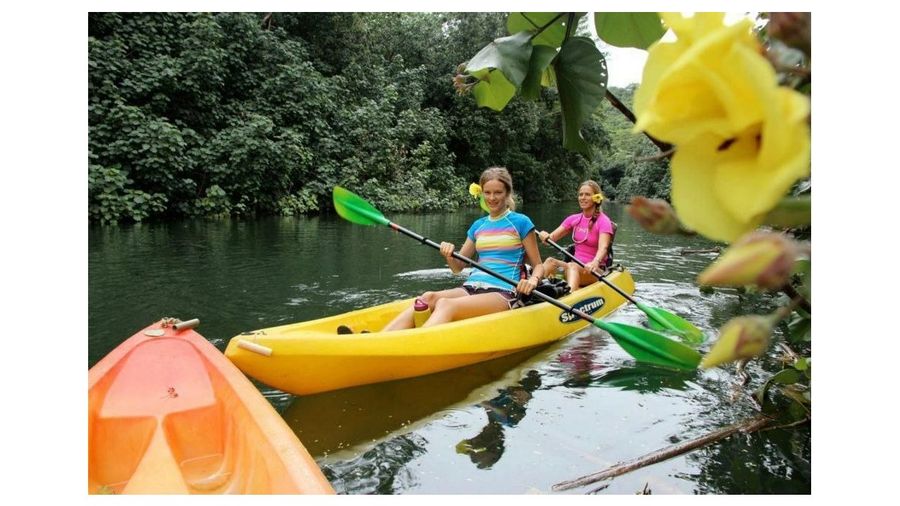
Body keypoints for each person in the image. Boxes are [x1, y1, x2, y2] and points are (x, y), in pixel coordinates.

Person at [382, 167, 544, 331]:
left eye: (498, 192)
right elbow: (457, 268)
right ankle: (380, 338)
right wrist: (449, 255)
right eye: (487, 192)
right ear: (482, 193)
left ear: (507, 193)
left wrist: (532, 280)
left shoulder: (521, 222)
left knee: (446, 304)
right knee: (426, 298)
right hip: (470, 287)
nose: (492, 198)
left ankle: (416, 341)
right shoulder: (478, 225)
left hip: (503, 291)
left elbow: (538, 265)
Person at [538, 180, 614, 292]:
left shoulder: (604, 221)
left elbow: (604, 247)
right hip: (573, 268)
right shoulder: (573, 219)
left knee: (572, 266)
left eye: (587, 194)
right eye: (580, 194)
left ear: (596, 198)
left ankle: (570, 295)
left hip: (594, 271)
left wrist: (595, 262)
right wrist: (545, 236)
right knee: (550, 261)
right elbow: (551, 238)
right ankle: (532, 290)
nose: (583, 198)